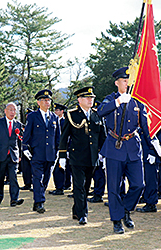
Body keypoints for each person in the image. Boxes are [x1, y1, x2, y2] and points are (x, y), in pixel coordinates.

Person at [97, 67, 161, 233]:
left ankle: (125, 210)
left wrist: (152, 144)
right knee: (114, 188)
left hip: (133, 147)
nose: (127, 84)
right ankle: (117, 220)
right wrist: (118, 102)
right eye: (124, 81)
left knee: (138, 185)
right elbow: (100, 112)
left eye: (129, 81)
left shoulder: (137, 101)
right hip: (114, 148)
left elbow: (145, 125)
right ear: (117, 83)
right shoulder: (110, 99)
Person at [58, 86, 106, 225]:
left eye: (92, 98)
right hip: (77, 157)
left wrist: (103, 154)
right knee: (78, 186)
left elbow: (102, 136)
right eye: (87, 97)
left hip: (92, 158)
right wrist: (62, 155)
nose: (90, 100)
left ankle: (76, 209)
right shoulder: (71, 114)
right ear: (79, 100)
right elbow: (64, 136)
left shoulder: (97, 114)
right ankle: (82, 214)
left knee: (86, 187)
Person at [22, 89, 60, 213]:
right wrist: (25, 147)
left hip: (50, 154)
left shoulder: (54, 117)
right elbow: (27, 134)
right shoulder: (33, 116)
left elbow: (57, 137)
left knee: (46, 179)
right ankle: (40, 202)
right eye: (44, 100)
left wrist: (59, 151)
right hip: (37, 154)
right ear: (38, 102)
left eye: (48, 100)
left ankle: (37, 200)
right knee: (37, 178)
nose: (47, 102)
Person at [0, 102, 24, 207]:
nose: (12, 112)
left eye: (14, 110)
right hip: (0, 154)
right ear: (5, 111)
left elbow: (20, 141)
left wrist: (19, 155)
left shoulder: (18, 124)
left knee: (13, 177)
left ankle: (14, 199)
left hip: (13, 155)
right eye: (10, 109)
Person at [49, 103, 68, 196]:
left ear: (62, 111)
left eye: (57, 110)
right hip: (55, 149)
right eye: (55, 110)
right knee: (56, 169)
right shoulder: (53, 120)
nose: (56, 112)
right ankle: (59, 187)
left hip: (63, 149)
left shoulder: (65, 121)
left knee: (61, 169)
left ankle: (61, 187)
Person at [20, 108, 33, 191]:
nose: (27, 116)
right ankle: (27, 183)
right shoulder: (26, 125)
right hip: (25, 148)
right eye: (26, 115)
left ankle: (34, 184)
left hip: (33, 148)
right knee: (25, 167)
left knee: (34, 167)